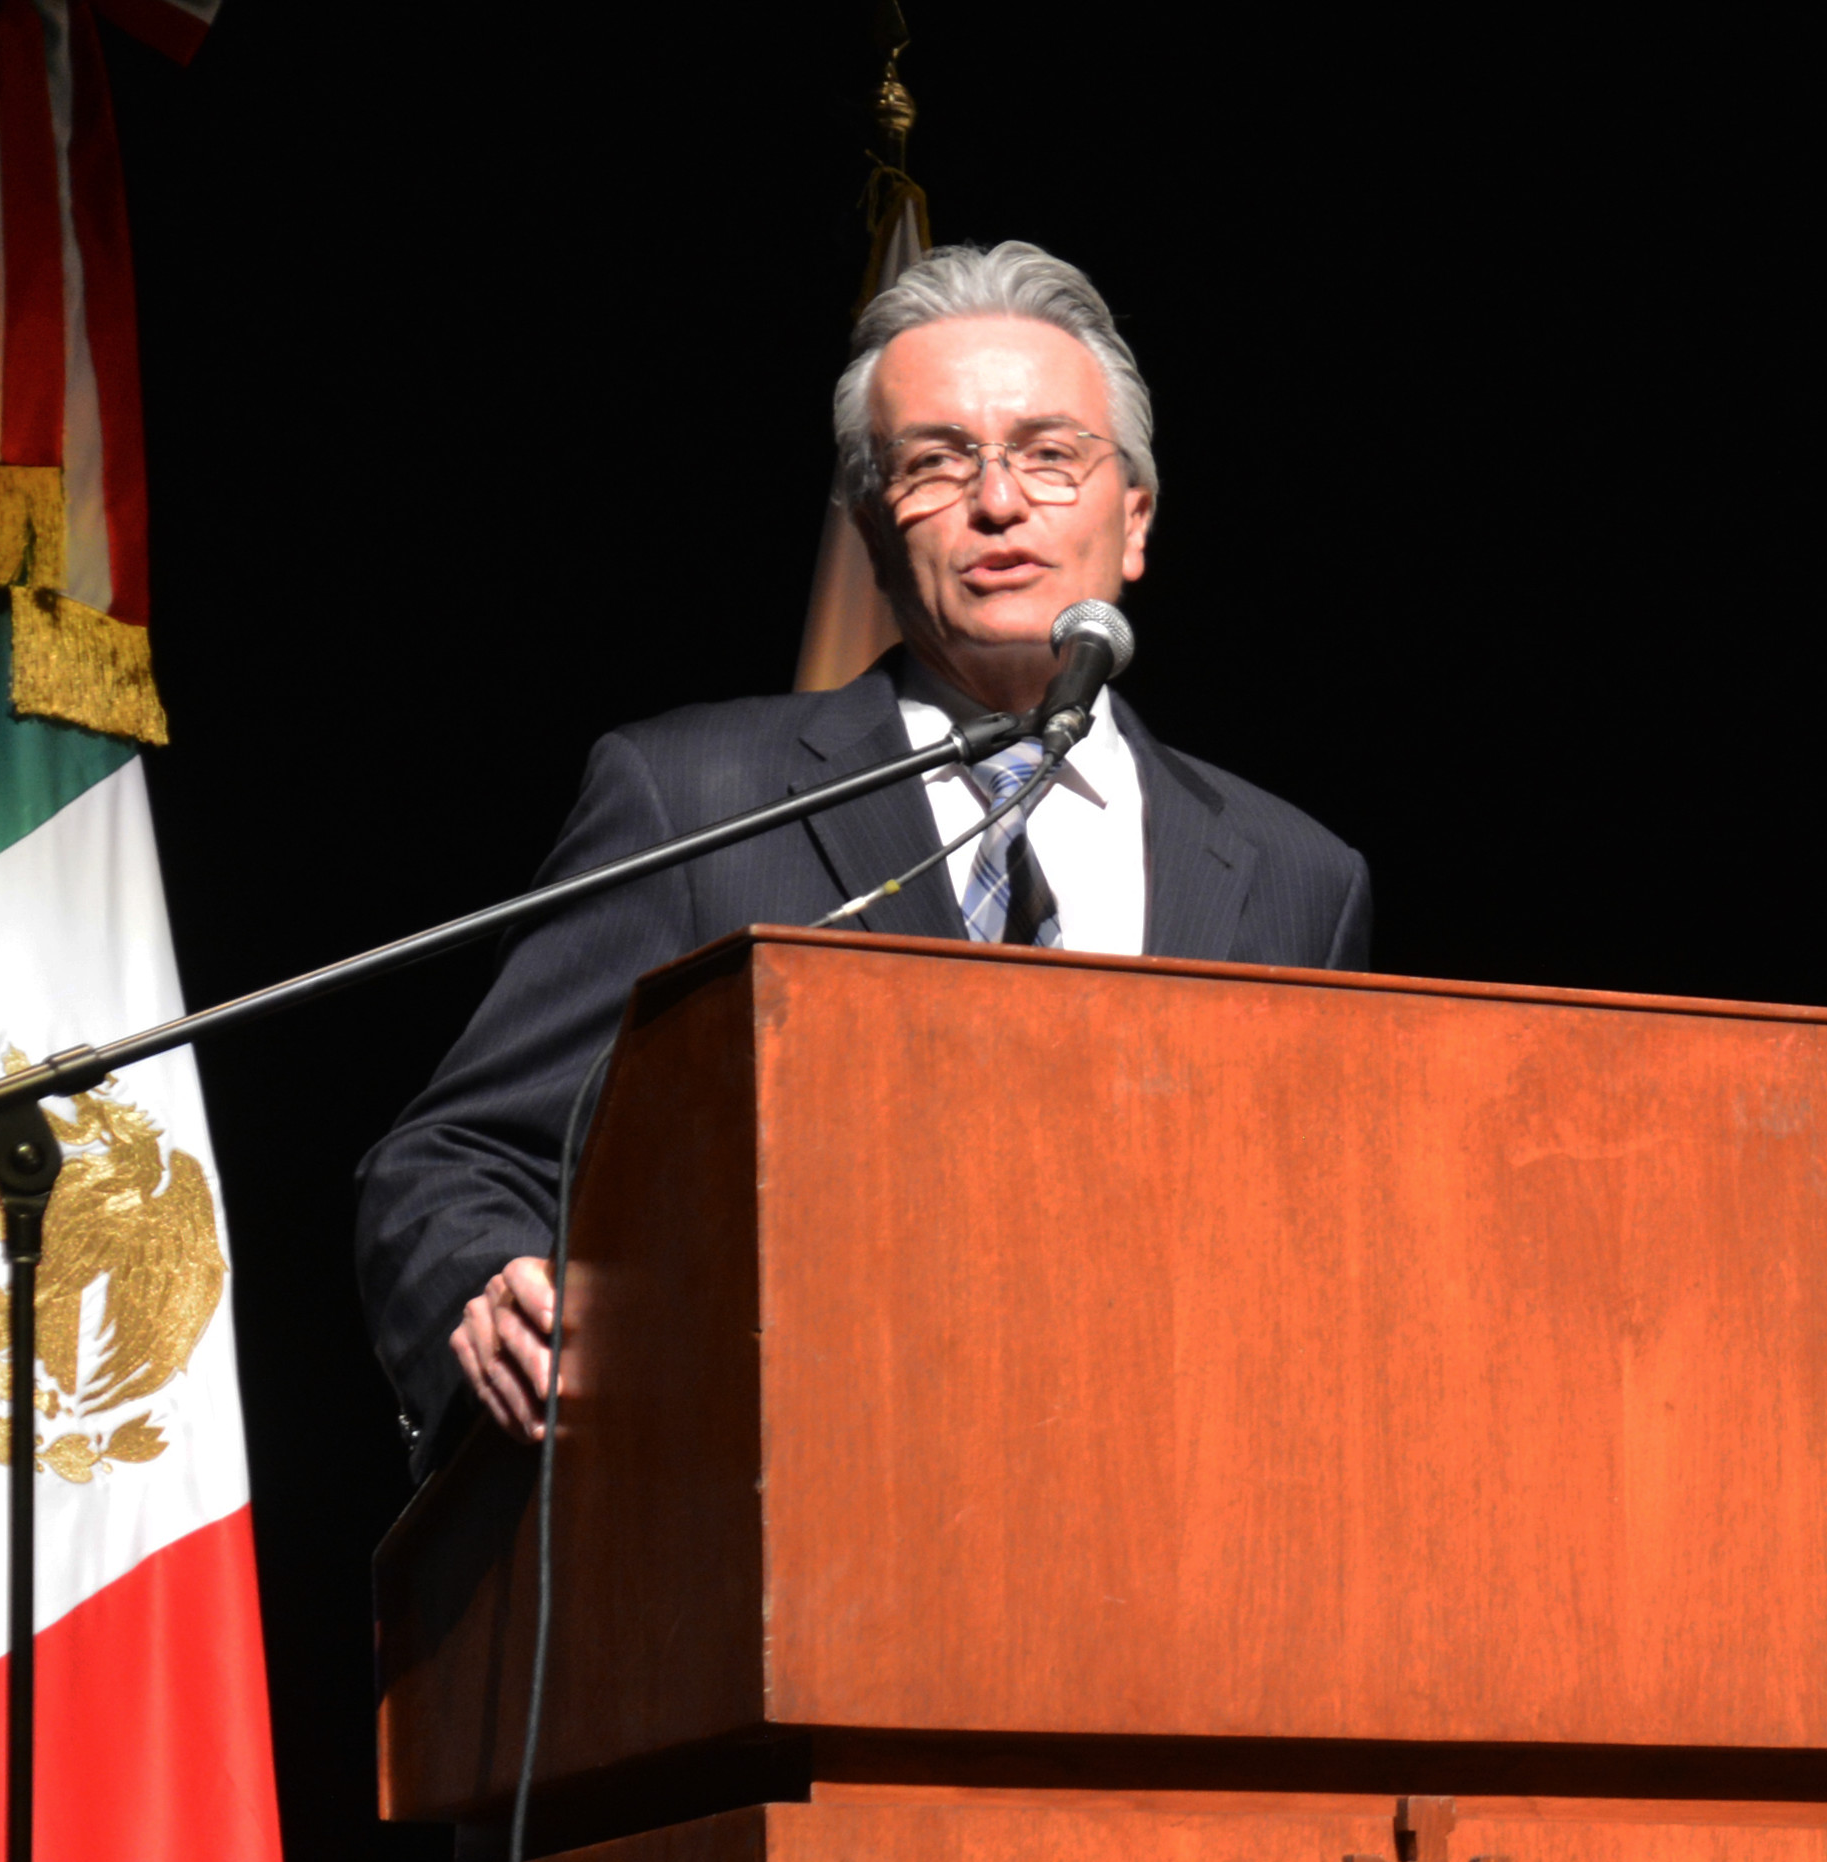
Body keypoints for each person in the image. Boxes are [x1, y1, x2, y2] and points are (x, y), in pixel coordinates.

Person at [351, 241, 1372, 1467]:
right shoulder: (693, 801)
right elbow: (452, 1160)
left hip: (1183, 1528)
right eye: (937, 464)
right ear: (871, 528)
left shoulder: (1295, 875)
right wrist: (490, 1287)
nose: (999, 502)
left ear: (1134, 517)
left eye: (1051, 456)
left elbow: (1337, 1271)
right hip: (794, 1513)